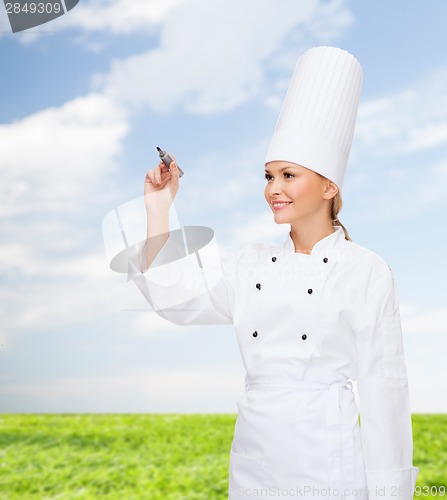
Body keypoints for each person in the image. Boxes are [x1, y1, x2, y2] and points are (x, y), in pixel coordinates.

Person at [134, 47, 419, 499]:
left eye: (288, 175)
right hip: (254, 461)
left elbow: (385, 391)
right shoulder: (250, 265)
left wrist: (390, 493)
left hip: (328, 464)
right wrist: (159, 207)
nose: (273, 189)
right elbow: (174, 296)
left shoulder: (366, 271)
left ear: (329, 186)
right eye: (268, 176)